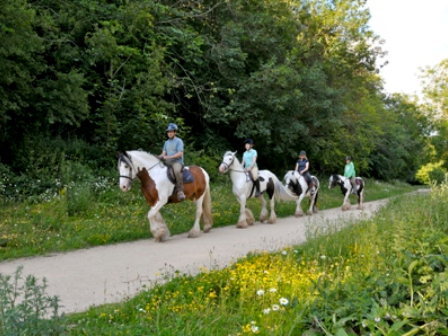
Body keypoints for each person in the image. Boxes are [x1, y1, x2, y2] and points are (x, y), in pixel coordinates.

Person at [158, 123, 185, 200]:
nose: (169, 133)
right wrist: (156, 157)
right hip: (168, 162)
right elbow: (163, 154)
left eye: (171, 132)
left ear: (175, 132)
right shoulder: (166, 142)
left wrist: (169, 157)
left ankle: (180, 191)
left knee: (176, 171)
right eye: (168, 132)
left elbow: (180, 153)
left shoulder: (179, 141)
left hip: (177, 162)